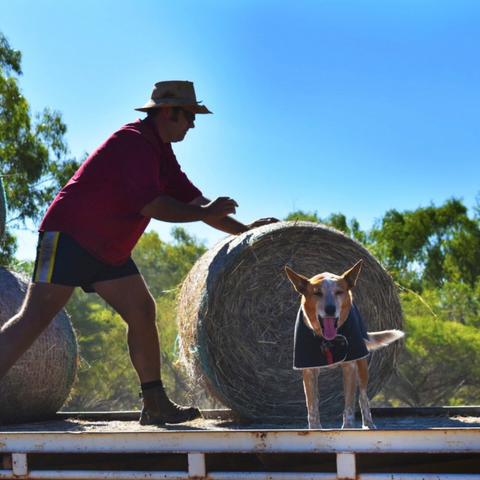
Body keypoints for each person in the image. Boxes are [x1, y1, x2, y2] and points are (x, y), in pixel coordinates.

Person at [0, 80, 278, 425]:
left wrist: (247, 230)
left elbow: (197, 202)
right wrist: (205, 213)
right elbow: (153, 205)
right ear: (167, 111)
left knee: (142, 310)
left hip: (108, 248)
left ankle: (155, 402)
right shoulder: (134, 142)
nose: (193, 123)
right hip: (71, 235)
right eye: (189, 115)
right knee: (35, 317)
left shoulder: (162, 153)